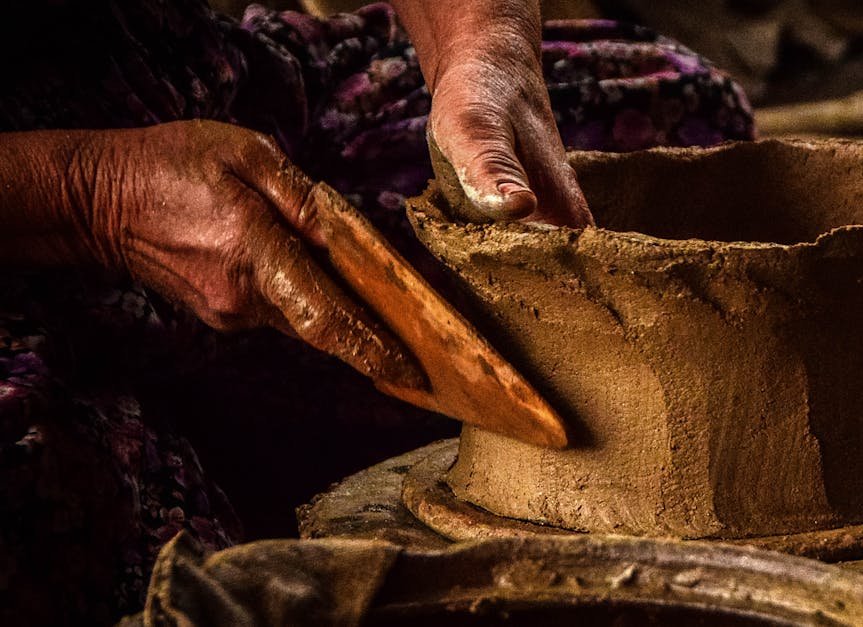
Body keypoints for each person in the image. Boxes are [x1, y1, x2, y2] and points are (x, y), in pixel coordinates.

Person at [0, 1, 754, 622]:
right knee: (78, 531)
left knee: (672, 121)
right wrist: (90, 196)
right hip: (26, 229)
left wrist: (484, 54)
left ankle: (230, 421)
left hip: (207, 108)